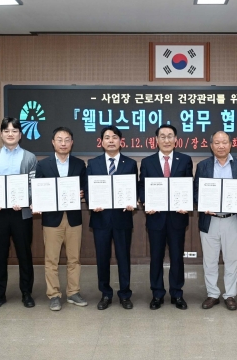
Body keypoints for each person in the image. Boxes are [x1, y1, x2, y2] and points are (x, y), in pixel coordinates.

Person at [0, 117, 38, 309]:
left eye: (14, 131)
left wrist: (24, 200)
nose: (10, 134)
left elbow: (33, 185)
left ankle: (26, 293)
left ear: (20, 135)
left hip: (21, 213)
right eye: (6, 131)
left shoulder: (29, 157)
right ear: (1, 134)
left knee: (24, 254)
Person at [138, 124, 193, 310]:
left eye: (170, 136)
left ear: (176, 140)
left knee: (177, 257)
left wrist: (187, 203)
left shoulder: (185, 160)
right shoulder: (147, 162)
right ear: (156, 140)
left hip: (178, 217)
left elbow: (189, 185)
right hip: (156, 217)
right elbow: (142, 186)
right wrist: (146, 202)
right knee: (156, 257)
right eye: (163, 136)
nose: (167, 140)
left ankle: (177, 294)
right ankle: (157, 294)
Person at [194, 131, 237, 311]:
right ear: (211, 146)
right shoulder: (203, 165)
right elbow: (195, 191)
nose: (221, 146)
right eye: (217, 143)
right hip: (209, 219)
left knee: (231, 259)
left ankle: (230, 295)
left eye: (224, 142)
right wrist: (202, 204)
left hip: (232, 219)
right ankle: (212, 294)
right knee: (209, 260)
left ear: (230, 144)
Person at [35, 127, 88, 311]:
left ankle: (73, 292)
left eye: (67, 140)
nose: (63, 143)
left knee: (74, 259)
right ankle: (54, 295)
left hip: (73, 218)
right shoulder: (43, 165)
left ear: (72, 143)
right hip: (52, 219)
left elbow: (85, 187)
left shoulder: (79, 164)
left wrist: (82, 193)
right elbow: (38, 189)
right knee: (51, 260)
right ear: (53, 142)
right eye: (59, 140)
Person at [86, 125, 138, 310]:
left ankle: (125, 294)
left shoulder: (130, 164)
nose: (111, 140)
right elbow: (89, 189)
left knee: (123, 257)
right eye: (107, 137)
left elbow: (134, 188)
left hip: (122, 218)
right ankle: (105, 294)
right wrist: (92, 202)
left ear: (120, 141)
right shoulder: (93, 163)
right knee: (102, 258)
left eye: (114, 137)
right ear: (101, 142)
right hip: (100, 218)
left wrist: (133, 201)